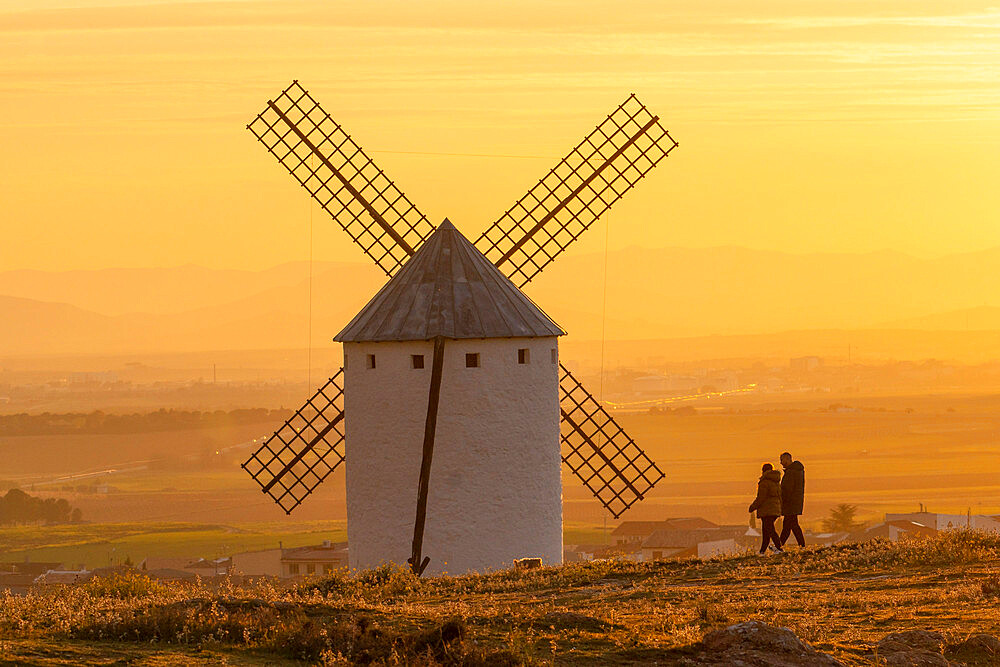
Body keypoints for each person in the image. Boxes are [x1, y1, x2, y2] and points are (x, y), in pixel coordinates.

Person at [749, 463, 783, 554]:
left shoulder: (764, 483)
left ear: (763, 471)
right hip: (775, 509)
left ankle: (779, 549)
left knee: (770, 530)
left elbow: (761, 498)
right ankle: (762, 551)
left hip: (767, 510)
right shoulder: (776, 482)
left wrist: (752, 507)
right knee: (766, 531)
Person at [778, 451, 806, 547]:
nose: (781, 463)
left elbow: (787, 489)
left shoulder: (791, 472)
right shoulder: (798, 471)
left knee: (790, 525)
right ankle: (780, 546)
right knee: (791, 525)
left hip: (790, 503)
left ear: (788, 459)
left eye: (782, 460)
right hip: (795, 502)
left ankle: (779, 546)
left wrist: (782, 500)